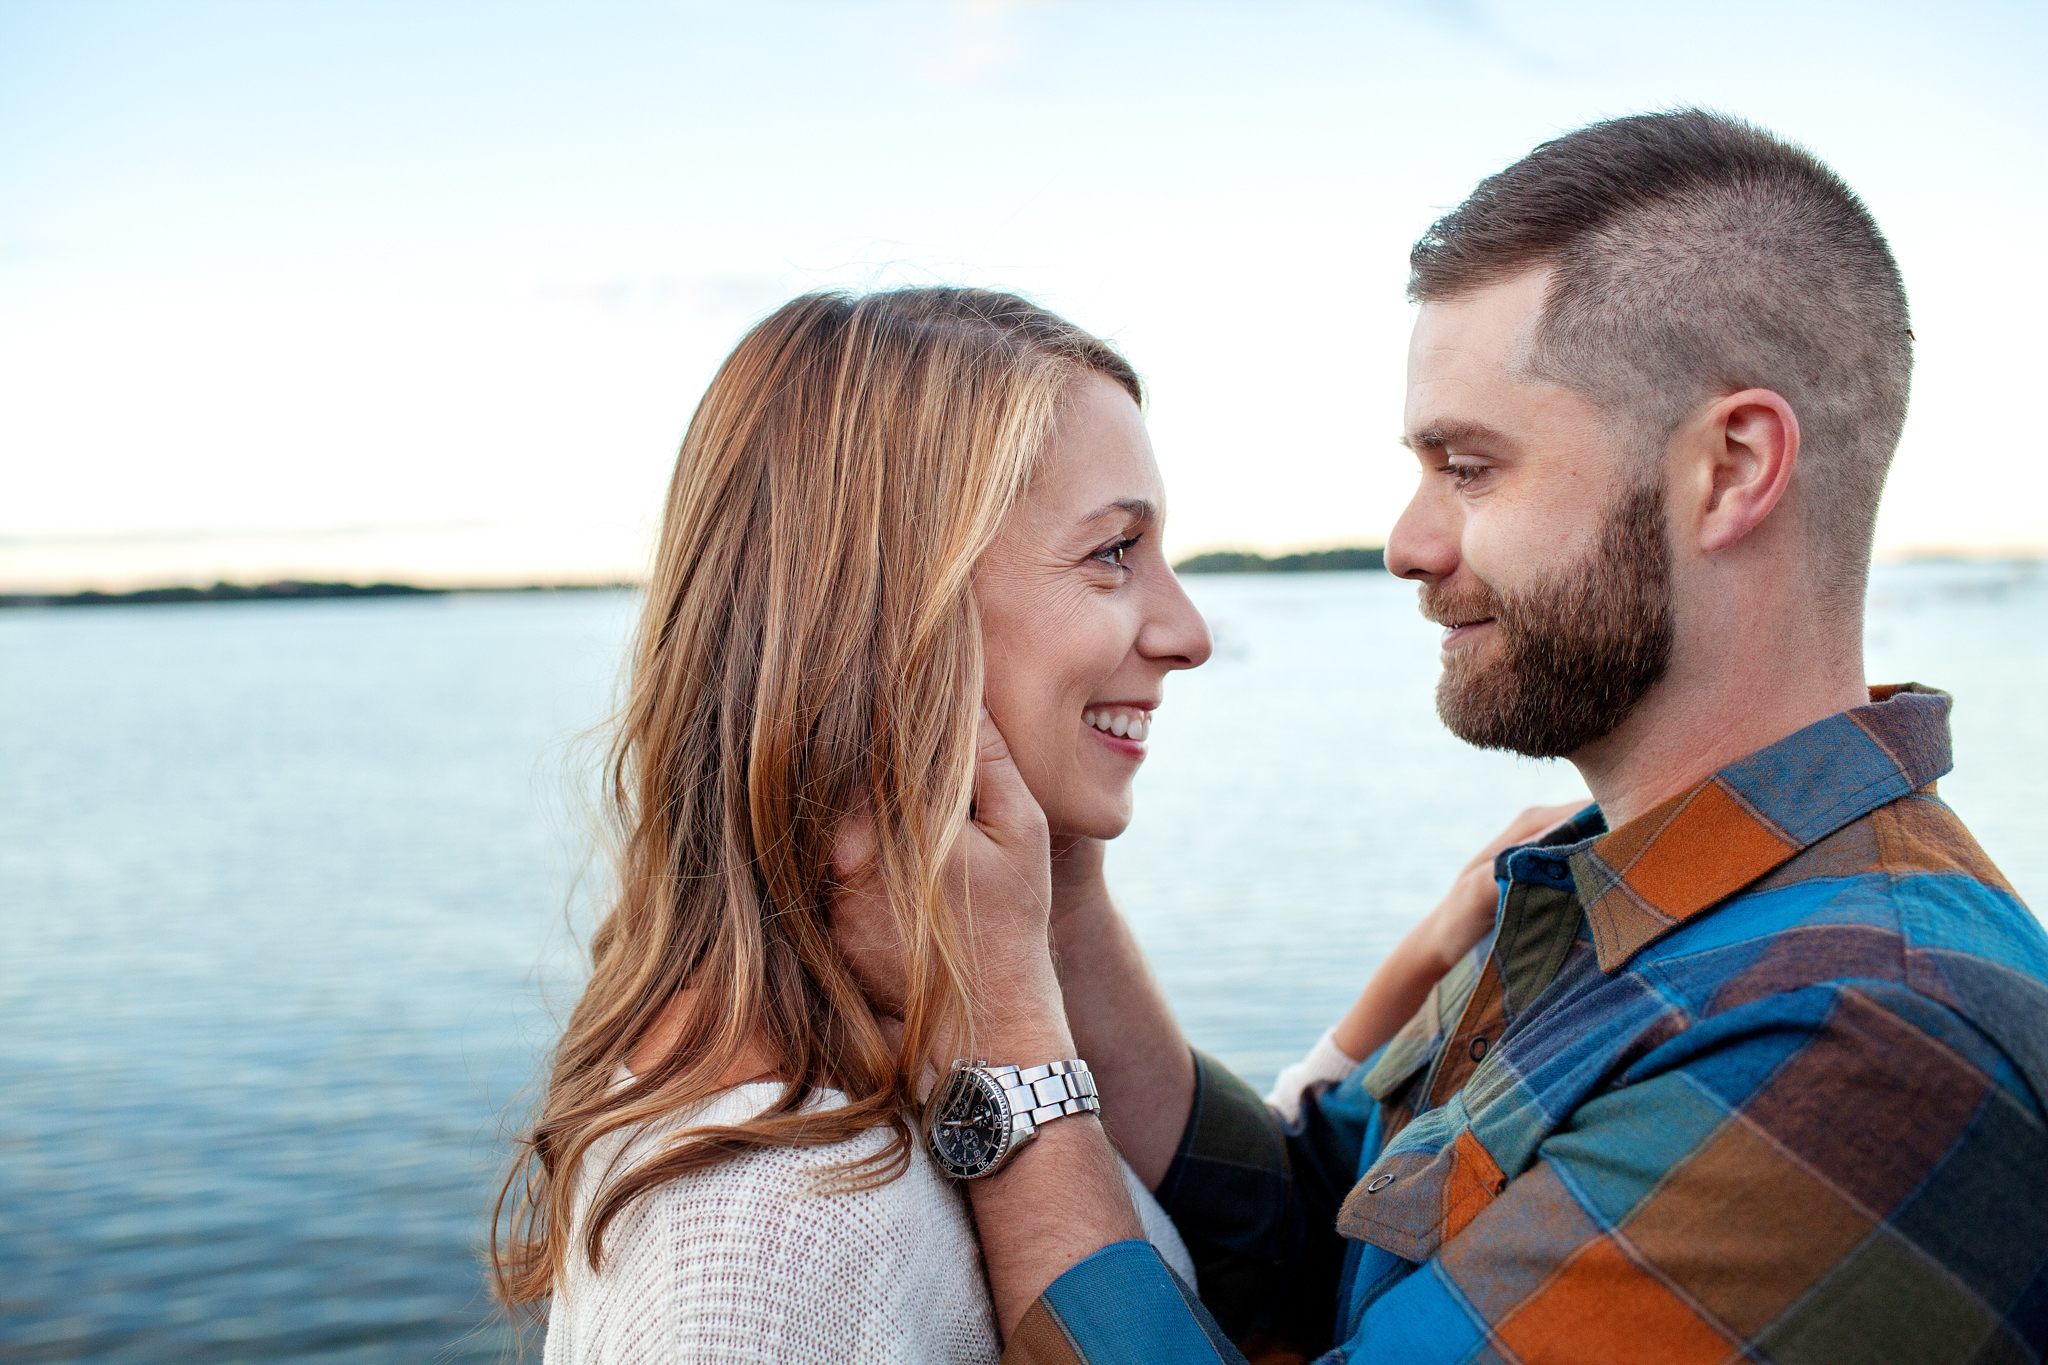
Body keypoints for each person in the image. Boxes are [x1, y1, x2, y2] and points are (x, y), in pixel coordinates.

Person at [893, 112, 2048, 1363]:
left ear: (1727, 468)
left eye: (1469, 467)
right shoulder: (1613, 894)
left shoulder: (1858, 1032)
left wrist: (1008, 1055)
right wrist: (1057, 906)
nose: (1408, 543)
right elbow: (1299, 1235)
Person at [488, 286, 1532, 1363]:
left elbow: (1255, 1242)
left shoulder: (908, 1076)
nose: (1185, 632)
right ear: (895, 620)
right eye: (1112, 553)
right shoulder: (766, 1233)